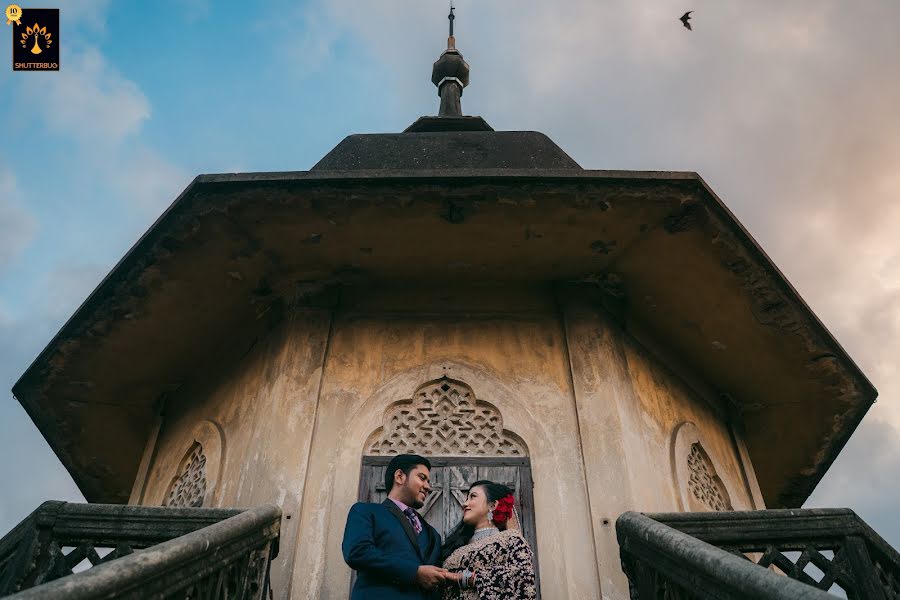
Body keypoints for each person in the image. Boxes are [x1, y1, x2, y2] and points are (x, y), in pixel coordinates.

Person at [343, 454, 451, 599]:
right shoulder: (365, 511)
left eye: (428, 481)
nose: (428, 487)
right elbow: (358, 553)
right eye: (422, 478)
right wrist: (415, 573)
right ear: (399, 476)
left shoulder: (433, 535)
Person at [439, 481, 537, 599]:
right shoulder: (456, 546)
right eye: (466, 498)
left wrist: (466, 578)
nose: (465, 504)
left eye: (473, 496)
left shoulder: (511, 540)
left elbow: (521, 579)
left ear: (492, 506)